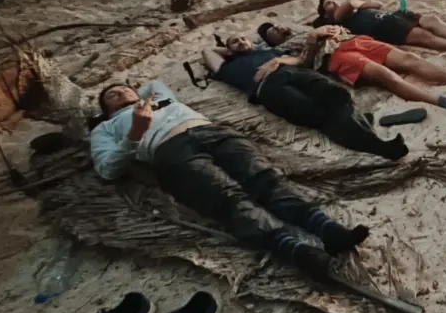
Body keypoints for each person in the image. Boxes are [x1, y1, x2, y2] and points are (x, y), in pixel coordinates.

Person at [90, 81, 369, 279]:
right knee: (226, 197)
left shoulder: (157, 97)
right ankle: (296, 251)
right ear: (105, 109)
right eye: (112, 94)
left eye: (124, 87)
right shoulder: (106, 127)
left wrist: (138, 97)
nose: (120, 91)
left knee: (266, 178)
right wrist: (135, 133)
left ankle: (327, 229)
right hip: (169, 150)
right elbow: (106, 168)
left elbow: (154, 83)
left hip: (211, 131)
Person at [202, 26, 407, 160]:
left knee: (339, 95)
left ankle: (363, 129)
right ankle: (381, 147)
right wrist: (229, 51)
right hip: (268, 87)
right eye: (235, 42)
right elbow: (207, 51)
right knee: (315, 114)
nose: (240, 42)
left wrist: (277, 60)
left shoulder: (269, 52)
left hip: (295, 73)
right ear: (229, 50)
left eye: (243, 38)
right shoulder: (228, 67)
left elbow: (300, 60)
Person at [260, 20, 446, 115]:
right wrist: (313, 39)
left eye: (276, 25)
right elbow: (302, 62)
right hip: (335, 58)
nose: (277, 29)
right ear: (272, 42)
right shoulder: (284, 48)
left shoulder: (299, 26)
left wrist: (332, 28)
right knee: (386, 75)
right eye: (271, 32)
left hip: (353, 40)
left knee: (409, 59)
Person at [316, 0, 446, 56]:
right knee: (425, 37)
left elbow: (378, 4)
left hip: (391, 16)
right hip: (381, 27)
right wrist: (355, 3)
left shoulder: (353, 10)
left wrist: (359, 5)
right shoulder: (337, 20)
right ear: (325, 14)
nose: (333, 2)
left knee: (431, 20)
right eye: (328, 3)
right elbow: (349, 3)